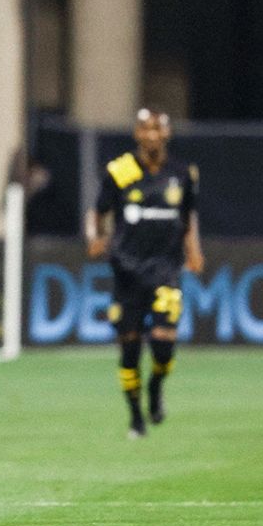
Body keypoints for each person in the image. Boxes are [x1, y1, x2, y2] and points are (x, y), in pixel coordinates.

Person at [86, 109, 205, 438]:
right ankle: (136, 417)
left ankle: (156, 386)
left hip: (167, 270)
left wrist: (194, 249)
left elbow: (188, 215)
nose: (151, 135)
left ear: (166, 134)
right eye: (145, 129)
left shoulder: (182, 174)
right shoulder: (121, 171)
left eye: (157, 129)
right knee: (129, 347)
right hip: (127, 271)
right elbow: (96, 212)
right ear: (137, 134)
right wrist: (94, 237)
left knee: (165, 344)